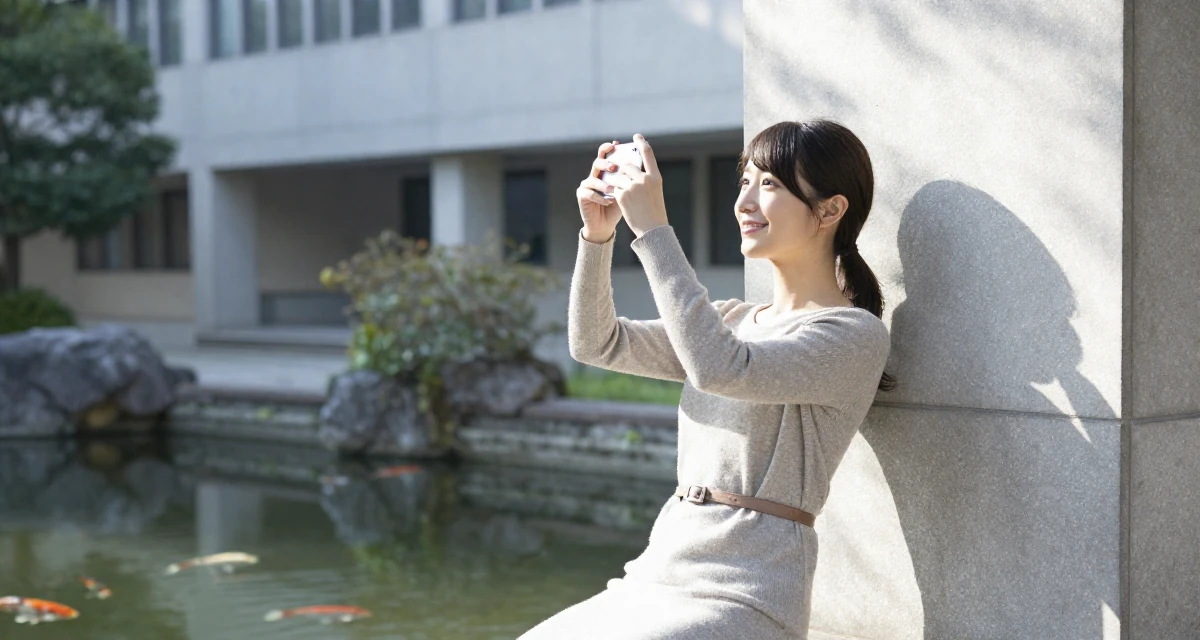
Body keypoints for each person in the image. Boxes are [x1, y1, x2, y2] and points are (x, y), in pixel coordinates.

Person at [518, 120, 895, 640]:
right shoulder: (730, 320)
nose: (745, 201)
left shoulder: (852, 334)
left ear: (829, 210)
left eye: (771, 185)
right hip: (658, 570)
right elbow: (596, 343)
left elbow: (720, 369)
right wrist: (597, 235)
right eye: (745, 181)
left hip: (746, 592)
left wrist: (654, 232)